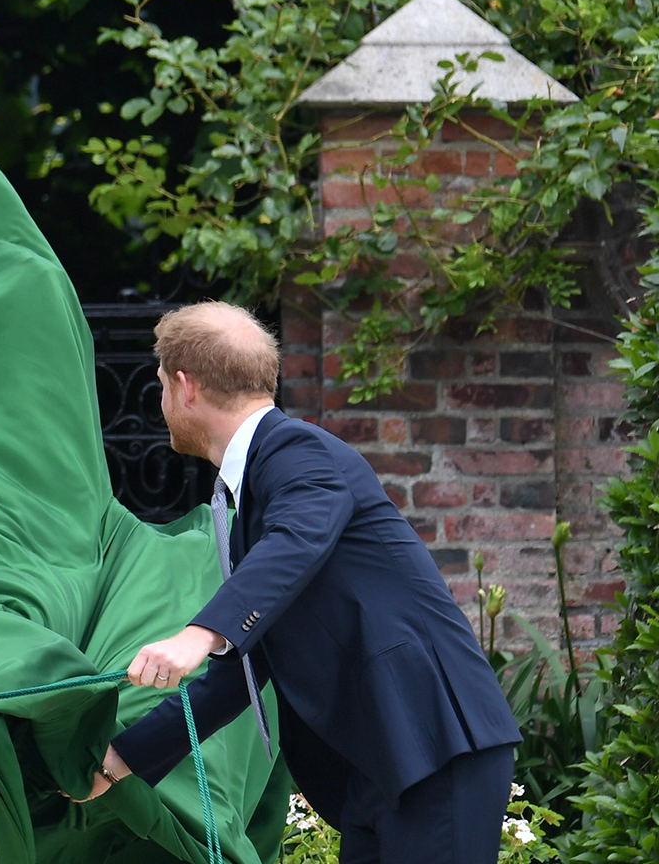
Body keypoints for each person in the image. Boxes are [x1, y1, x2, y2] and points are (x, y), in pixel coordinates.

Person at [78, 302, 520, 864]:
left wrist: (198, 633)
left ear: (185, 387)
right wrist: (117, 761)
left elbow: (299, 536)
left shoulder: (295, 450)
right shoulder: (259, 493)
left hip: (430, 745)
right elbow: (237, 675)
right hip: (381, 765)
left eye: (161, 386)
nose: (162, 405)